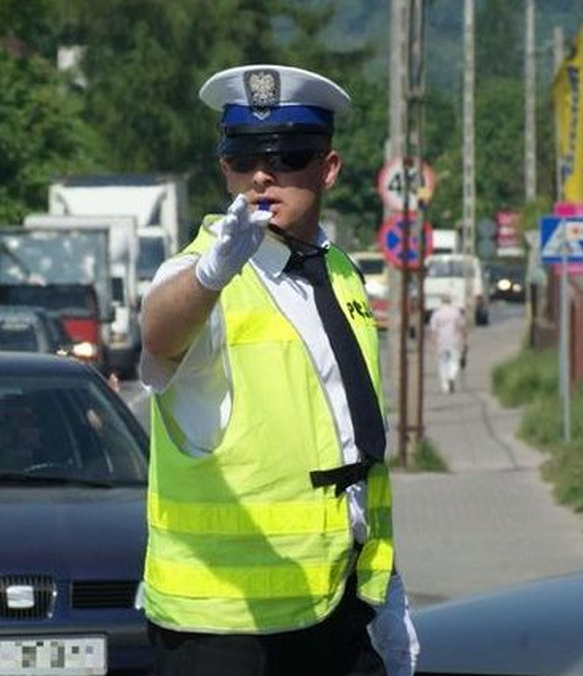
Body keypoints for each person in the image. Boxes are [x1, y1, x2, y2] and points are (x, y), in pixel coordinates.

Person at [138, 64, 419, 676]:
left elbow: (351, 433)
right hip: (223, 630)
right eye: (242, 157)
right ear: (224, 170)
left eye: (289, 155)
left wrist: (387, 585)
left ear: (329, 167)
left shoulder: (340, 271)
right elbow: (158, 333)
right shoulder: (201, 274)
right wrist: (214, 272)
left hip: (339, 605)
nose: (263, 174)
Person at [428, 294, 467, 394]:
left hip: (441, 340)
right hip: (454, 340)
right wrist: (464, 340)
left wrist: (433, 343)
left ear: (441, 301)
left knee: (442, 362)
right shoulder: (456, 312)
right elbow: (461, 327)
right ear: (450, 301)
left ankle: (445, 383)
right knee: (454, 361)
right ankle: (451, 376)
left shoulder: (437, 313)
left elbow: (433, 330)